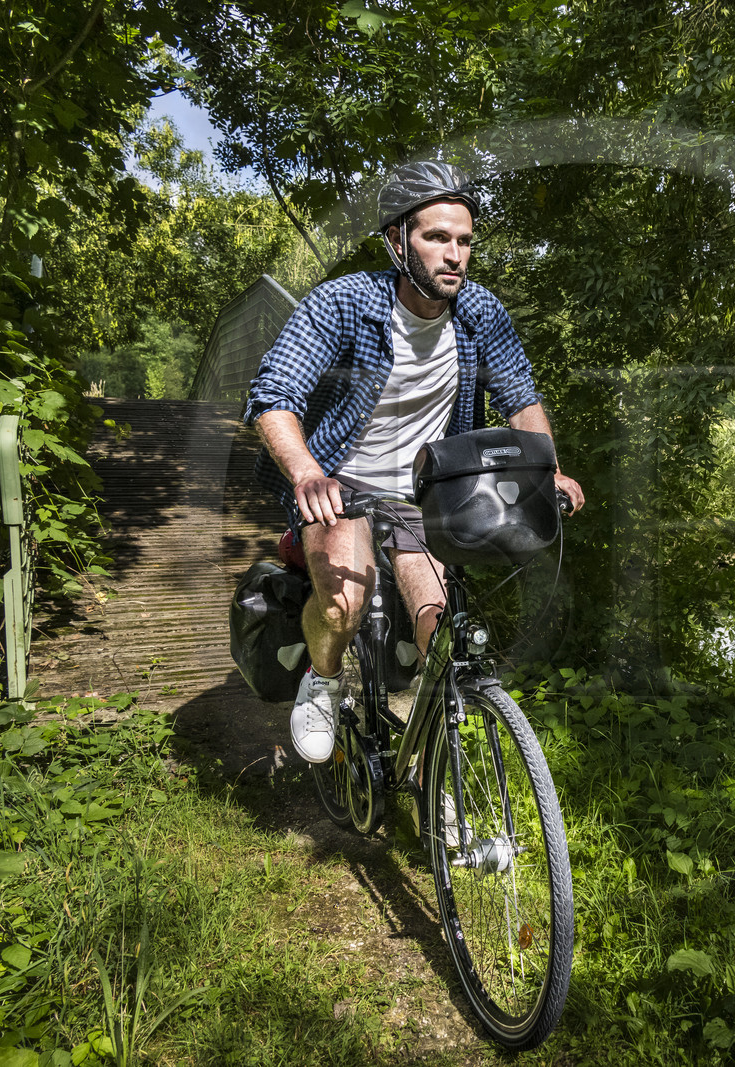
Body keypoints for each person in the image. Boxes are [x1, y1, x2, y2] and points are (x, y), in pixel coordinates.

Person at [244, 162, 585, 763]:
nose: (454, 255)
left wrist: (547, 471)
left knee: (440, 627)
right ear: (398, 241)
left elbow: (521, 400)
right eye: (436, 238)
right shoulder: (343, 302)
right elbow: (274, 397)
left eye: (464, 241)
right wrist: (306, 472)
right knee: (341, 605)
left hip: (424, 494)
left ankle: (439, 773)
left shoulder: (480, 312)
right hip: (341, 487)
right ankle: (320, 680)